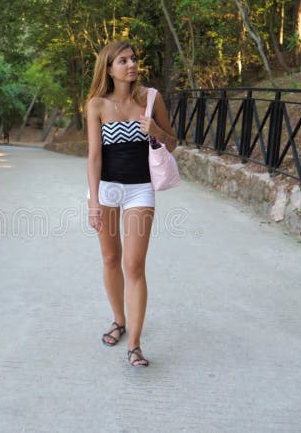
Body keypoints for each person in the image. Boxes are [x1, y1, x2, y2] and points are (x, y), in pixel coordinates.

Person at [86, 41, 177, 367]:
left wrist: (155, 130)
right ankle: (118, 320)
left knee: (134, 266)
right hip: (107, 190)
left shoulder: (151, 98)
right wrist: (94, 200)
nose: (131, 64)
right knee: (111, 258)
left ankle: (135, 344)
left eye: (134, 59)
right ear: (109, 69)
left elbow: (174, 143)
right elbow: (94, 157)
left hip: (140, 189)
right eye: (123, 60)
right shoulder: (96, 105)